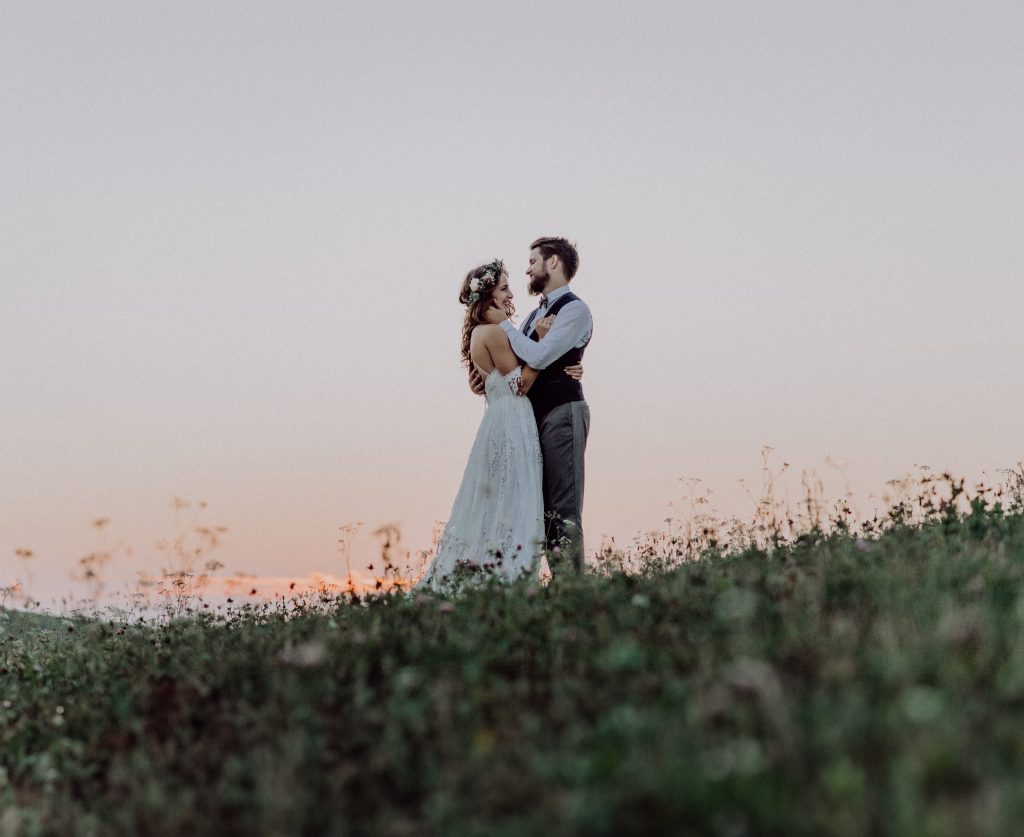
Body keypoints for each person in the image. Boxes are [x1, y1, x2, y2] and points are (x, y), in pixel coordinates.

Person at [415, 259, 581, 591]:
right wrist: (548, 345)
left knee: (502, 499)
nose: (509, 294)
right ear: (488, 294)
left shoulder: (484, 332)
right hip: (512, 420)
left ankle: (494, 574)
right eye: (504, 288)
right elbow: (521, 383)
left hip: (503, 418)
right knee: (514, 499)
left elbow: (492, 379)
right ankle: (507, 579)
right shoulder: (492, 331)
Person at [471, 237, 592, 574]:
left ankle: (572, 587)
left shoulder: (575, 309)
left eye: (533, 261)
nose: (528, 269)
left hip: (562, 413)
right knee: (542, 508)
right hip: (534, 420)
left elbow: (538, 355)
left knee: (563, 506)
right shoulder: (534, 316)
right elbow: (523, 361)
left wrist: (511, 328)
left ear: (553, 262)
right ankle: (560, 583)